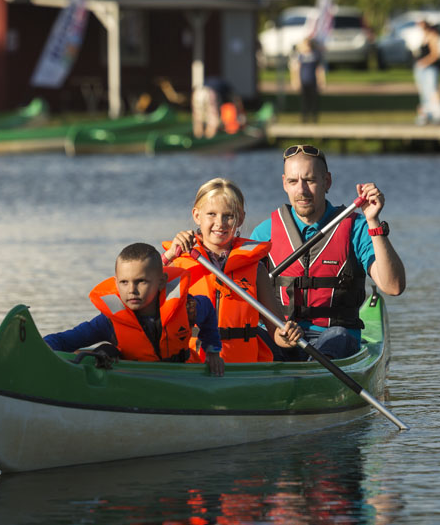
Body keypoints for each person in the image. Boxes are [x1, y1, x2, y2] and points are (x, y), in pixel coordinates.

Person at [250, 144, 406, 360]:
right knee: (248, 336)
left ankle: (312, 381)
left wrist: (373, 221)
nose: (302, 190)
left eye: (310, 180)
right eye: (294, 182)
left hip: (335, 339)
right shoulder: (264, 233)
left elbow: (393, 286)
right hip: (282, 337)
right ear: (285, 183)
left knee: (337, 338)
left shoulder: (356, 227)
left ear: (327, 182)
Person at [162, 178, 303, 362]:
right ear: (197, 215)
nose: (220, 223)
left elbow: (276, 331)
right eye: (211, 214)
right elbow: (142, 289)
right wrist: (169, 256)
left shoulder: (256, 269)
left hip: (241, 367)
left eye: (228, 215)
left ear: (240, 218)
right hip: (192, 364)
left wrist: (287, 337)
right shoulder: (177, 261)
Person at [44, 242, 225, 375]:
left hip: (185, 379)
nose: (132, 290)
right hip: (138, 385)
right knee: (104, 350)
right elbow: (65, 341)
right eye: (124, 282)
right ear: (116, 283)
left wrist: (212, 350)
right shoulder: (109, 322)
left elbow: (208, 309)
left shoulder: (186, 307)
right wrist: (39, 347)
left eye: (141, 281)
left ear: (161, 281)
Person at [413, 20, 440, 124]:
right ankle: (426, 114)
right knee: (424, 93)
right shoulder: (422, 36)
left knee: (432, 90)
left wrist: (424, 62)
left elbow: (436, 54)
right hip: (422, 69)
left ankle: (438, 113)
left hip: (430, 68)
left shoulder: (433, 36)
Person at [289, 37, 326, 123]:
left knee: (314, 101)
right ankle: (304, 118)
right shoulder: (299, 56)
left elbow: (319, 69)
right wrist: (295, 81)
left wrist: (321, 81)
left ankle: (314, 119)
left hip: (313, 81)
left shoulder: (315, 55)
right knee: (304, 101)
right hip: (303, 81)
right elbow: (295, 70)